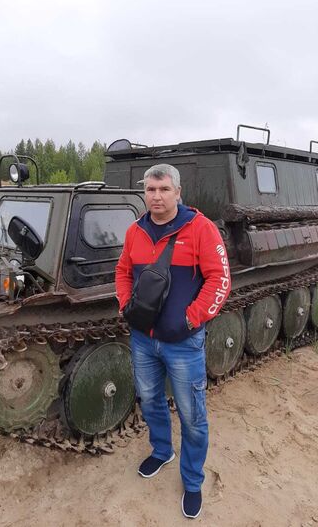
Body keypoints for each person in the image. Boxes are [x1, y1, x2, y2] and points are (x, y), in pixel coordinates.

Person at [115, 163, 231, 519]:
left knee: (192, 415)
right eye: (150, 190)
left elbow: (220, 280)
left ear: (178, 192)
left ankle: (192, 481)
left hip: (183, 344)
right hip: (143, 340)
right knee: (150, 400)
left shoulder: (201, 229)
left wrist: (190, 319)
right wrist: (125, 306)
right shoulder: (135, 231)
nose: (157, 196)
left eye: (164, 189)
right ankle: (162, 450)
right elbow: (122, 271)